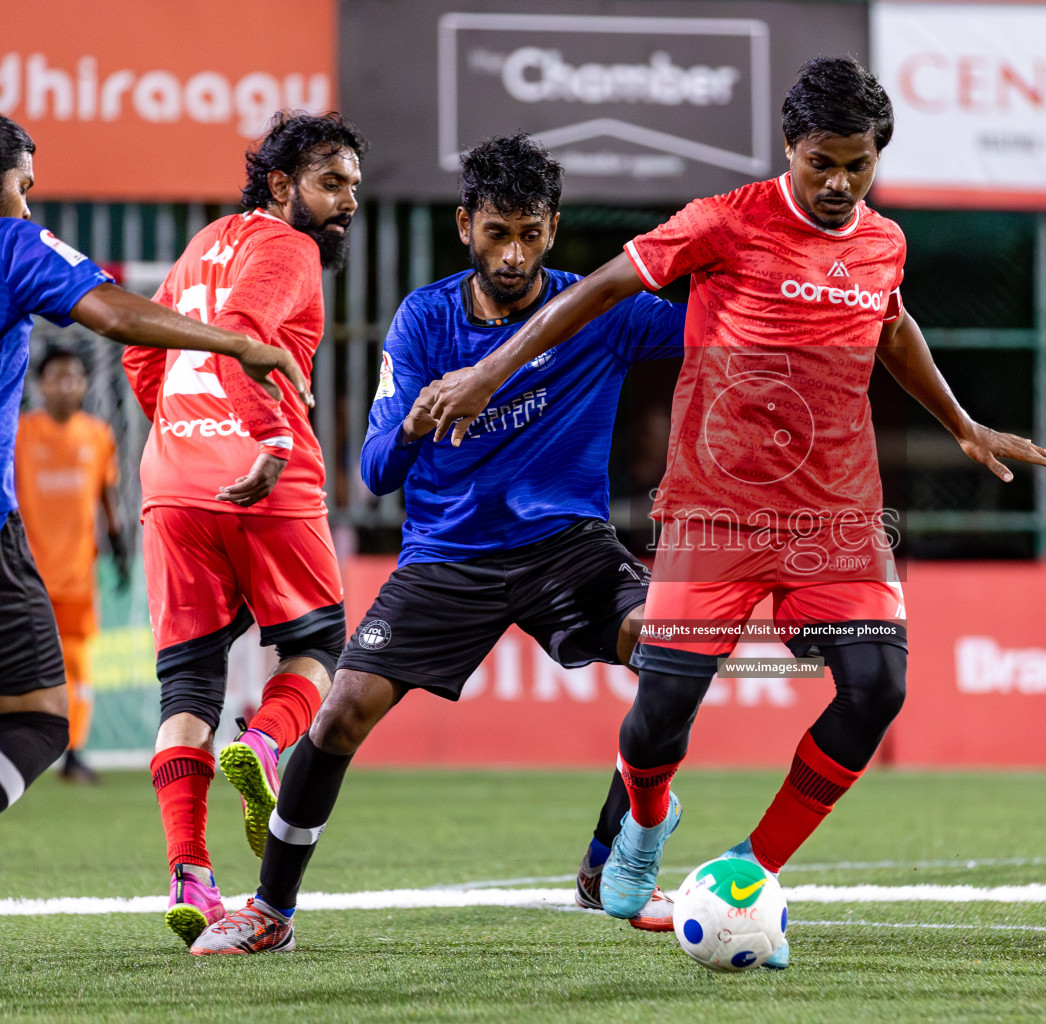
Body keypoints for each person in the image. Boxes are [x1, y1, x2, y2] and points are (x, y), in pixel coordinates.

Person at [427, 57, 1046, 970]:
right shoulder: (725, 221)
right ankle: (644, 821)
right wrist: (489, 371)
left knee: (877, 689)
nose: (839, 184)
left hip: (837, 518)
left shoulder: (883, 243)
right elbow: (601, 287)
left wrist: (959, 423)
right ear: (789, 149)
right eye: (822, 162)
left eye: (858, 165)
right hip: (714, 515)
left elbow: (892, 325)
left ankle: (747, 869)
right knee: (661, 713)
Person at [190, 134, 687, 956]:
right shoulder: (424, 319)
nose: (515, 253)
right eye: (498, 232)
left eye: (531, 233)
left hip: (567, 546)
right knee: (343, 711)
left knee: (667, 646)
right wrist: (419, 417)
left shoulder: (603, 311)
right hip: (447, 556)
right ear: (465, 226)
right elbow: (377, 470)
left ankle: (609, 864)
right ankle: (269, 909)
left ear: (553, 229)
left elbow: (721, 325)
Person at [0, 115, 308, 819]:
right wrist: (233, 342)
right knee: (41, 718)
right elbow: (111, 312)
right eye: (21, 186)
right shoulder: (11, 243)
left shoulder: (91, 439)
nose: (26, 204)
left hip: (62, 559)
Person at [121, 111, 366, 946]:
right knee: (319, 642)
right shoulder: (287, 249)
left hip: (171, 482)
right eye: (331, 184)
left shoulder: (202, 245)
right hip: (263, 476)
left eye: (355, 188)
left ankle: (190, 871)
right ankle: (262, 747)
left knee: (186, 687)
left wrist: (177, 432)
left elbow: (139, 353)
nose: (347, 202)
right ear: (280, 185)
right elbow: (250, 339)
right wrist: (261, 440)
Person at [15, 346, 129, 783]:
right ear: (41, 384)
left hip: (79, 577)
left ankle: (74, 751)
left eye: (75, 377)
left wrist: (118, 546)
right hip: (25, 577)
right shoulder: (19, 433)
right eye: (57, 376)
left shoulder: (98, 435)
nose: (67, 385)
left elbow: (108, 497)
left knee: (77, 668)